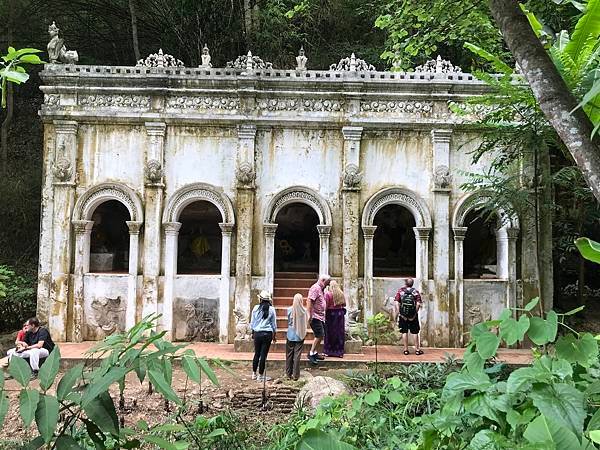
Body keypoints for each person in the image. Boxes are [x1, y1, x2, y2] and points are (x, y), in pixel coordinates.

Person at [250, 290, 277, 382]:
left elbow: (252, 323)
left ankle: (254, 374)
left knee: (256, 354)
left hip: (257, 334)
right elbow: (274, 325)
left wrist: (253, 333)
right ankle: (260, 375)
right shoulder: (272, 309)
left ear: (260, 299)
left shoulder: (255, 308)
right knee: (263, 355)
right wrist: (274, 336)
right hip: (267, 334)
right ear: (269, 300)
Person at [395, 278, 423, 355]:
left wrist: (400, 313)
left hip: (403, 315)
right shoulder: (415, 292)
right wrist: (414, 313)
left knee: (404, 332)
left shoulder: (400, 291)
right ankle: (417, 350)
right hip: (412, 315)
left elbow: (396, 302)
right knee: (415, 332)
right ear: (412, 284)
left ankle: (406, 350)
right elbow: (418, 304)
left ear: (405, 283)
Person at [307, 274, 330, 364]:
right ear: (323, 280)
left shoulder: (321, 289)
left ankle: (315, 352)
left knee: (322, 334)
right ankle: (311, 353)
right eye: (327, 283)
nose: (327, 285)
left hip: (320, 316)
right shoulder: (315, 288)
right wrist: (309, 314)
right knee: (319, 334)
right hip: (315, 316)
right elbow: (309, 300)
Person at [285, 293, 308, 381]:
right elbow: (306, 322)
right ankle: (295, 375)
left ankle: (288, 374)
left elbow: (288, 322)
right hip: (300, 335)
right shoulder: (304, 311)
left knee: (289, 355)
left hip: (290, 334)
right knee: (297, 356)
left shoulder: (289, 310)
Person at [323, 280, 346, 357]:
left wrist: (323, 315)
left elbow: (326, 306)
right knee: (339, 333)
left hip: (331, 315)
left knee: (329, 333)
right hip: (340, 314)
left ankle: (328, 351)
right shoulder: (341, 293)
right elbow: (344, 304)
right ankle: (339, 352)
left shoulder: (328, 294)